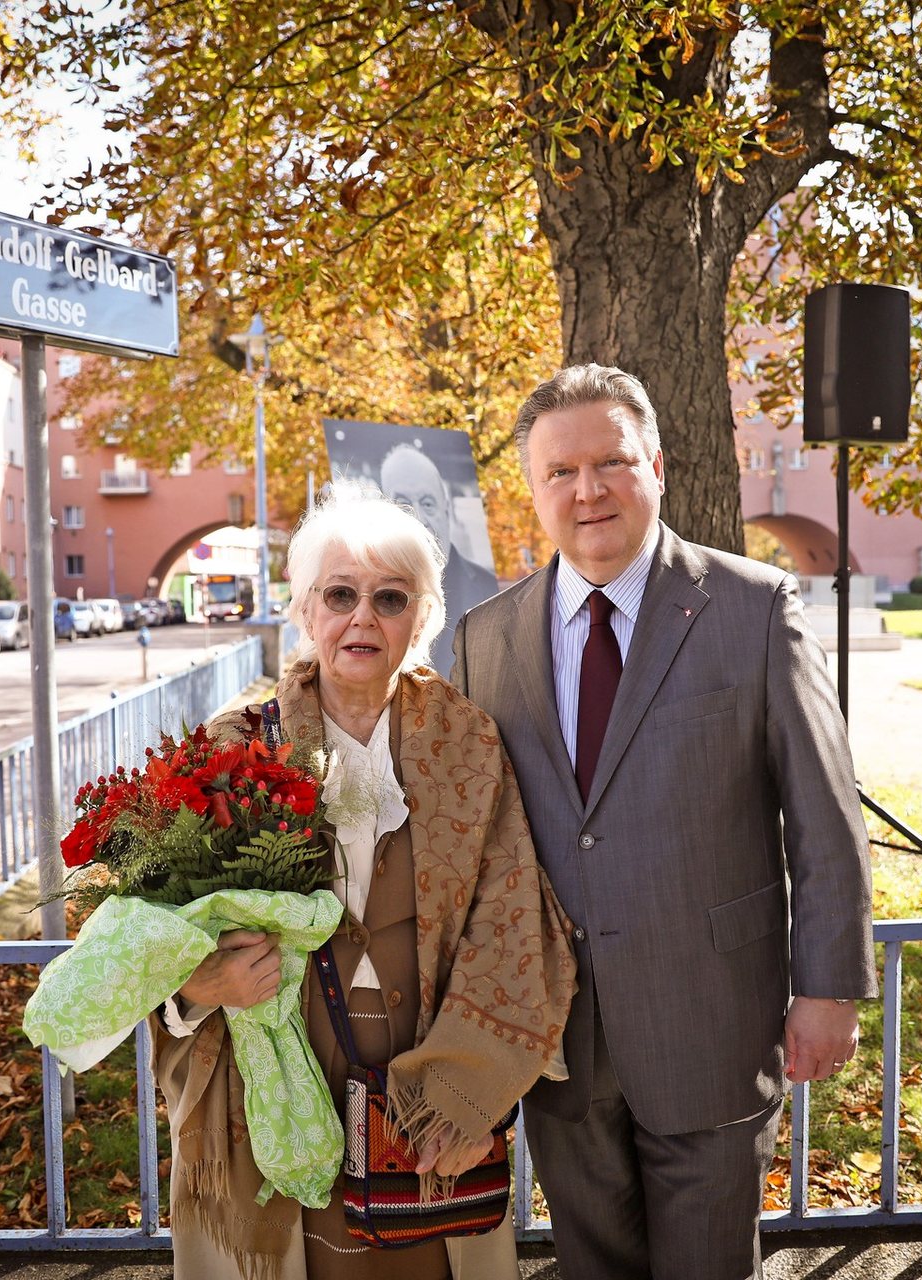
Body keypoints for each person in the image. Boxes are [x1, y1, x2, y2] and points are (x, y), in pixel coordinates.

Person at [451, 365, 876, 1280]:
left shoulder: (753, 608)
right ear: (532, 490)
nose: (587, 489)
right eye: (560, 472)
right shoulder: (485, 637)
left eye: (610, 461)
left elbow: (824, 814)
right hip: (556, 1033)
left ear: (657, 465)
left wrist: (830, 987)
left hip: (710, 1020)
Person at [152, 482, 578, 1280]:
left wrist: (466, 1084)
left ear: (422, 618)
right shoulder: (232, 747)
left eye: (390, 598)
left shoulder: (469, 742)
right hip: (276, 1085)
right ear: (306, 611)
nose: (363, 617)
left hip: (426, 1084)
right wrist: (202, 984)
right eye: (340, 594)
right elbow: (148, 928)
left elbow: (513, 916)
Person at [378, 443, 498, 675]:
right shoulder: (363, 598)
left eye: (428, 503)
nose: (419, 518)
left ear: (446, 512)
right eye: (403, 504)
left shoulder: (489, 591)